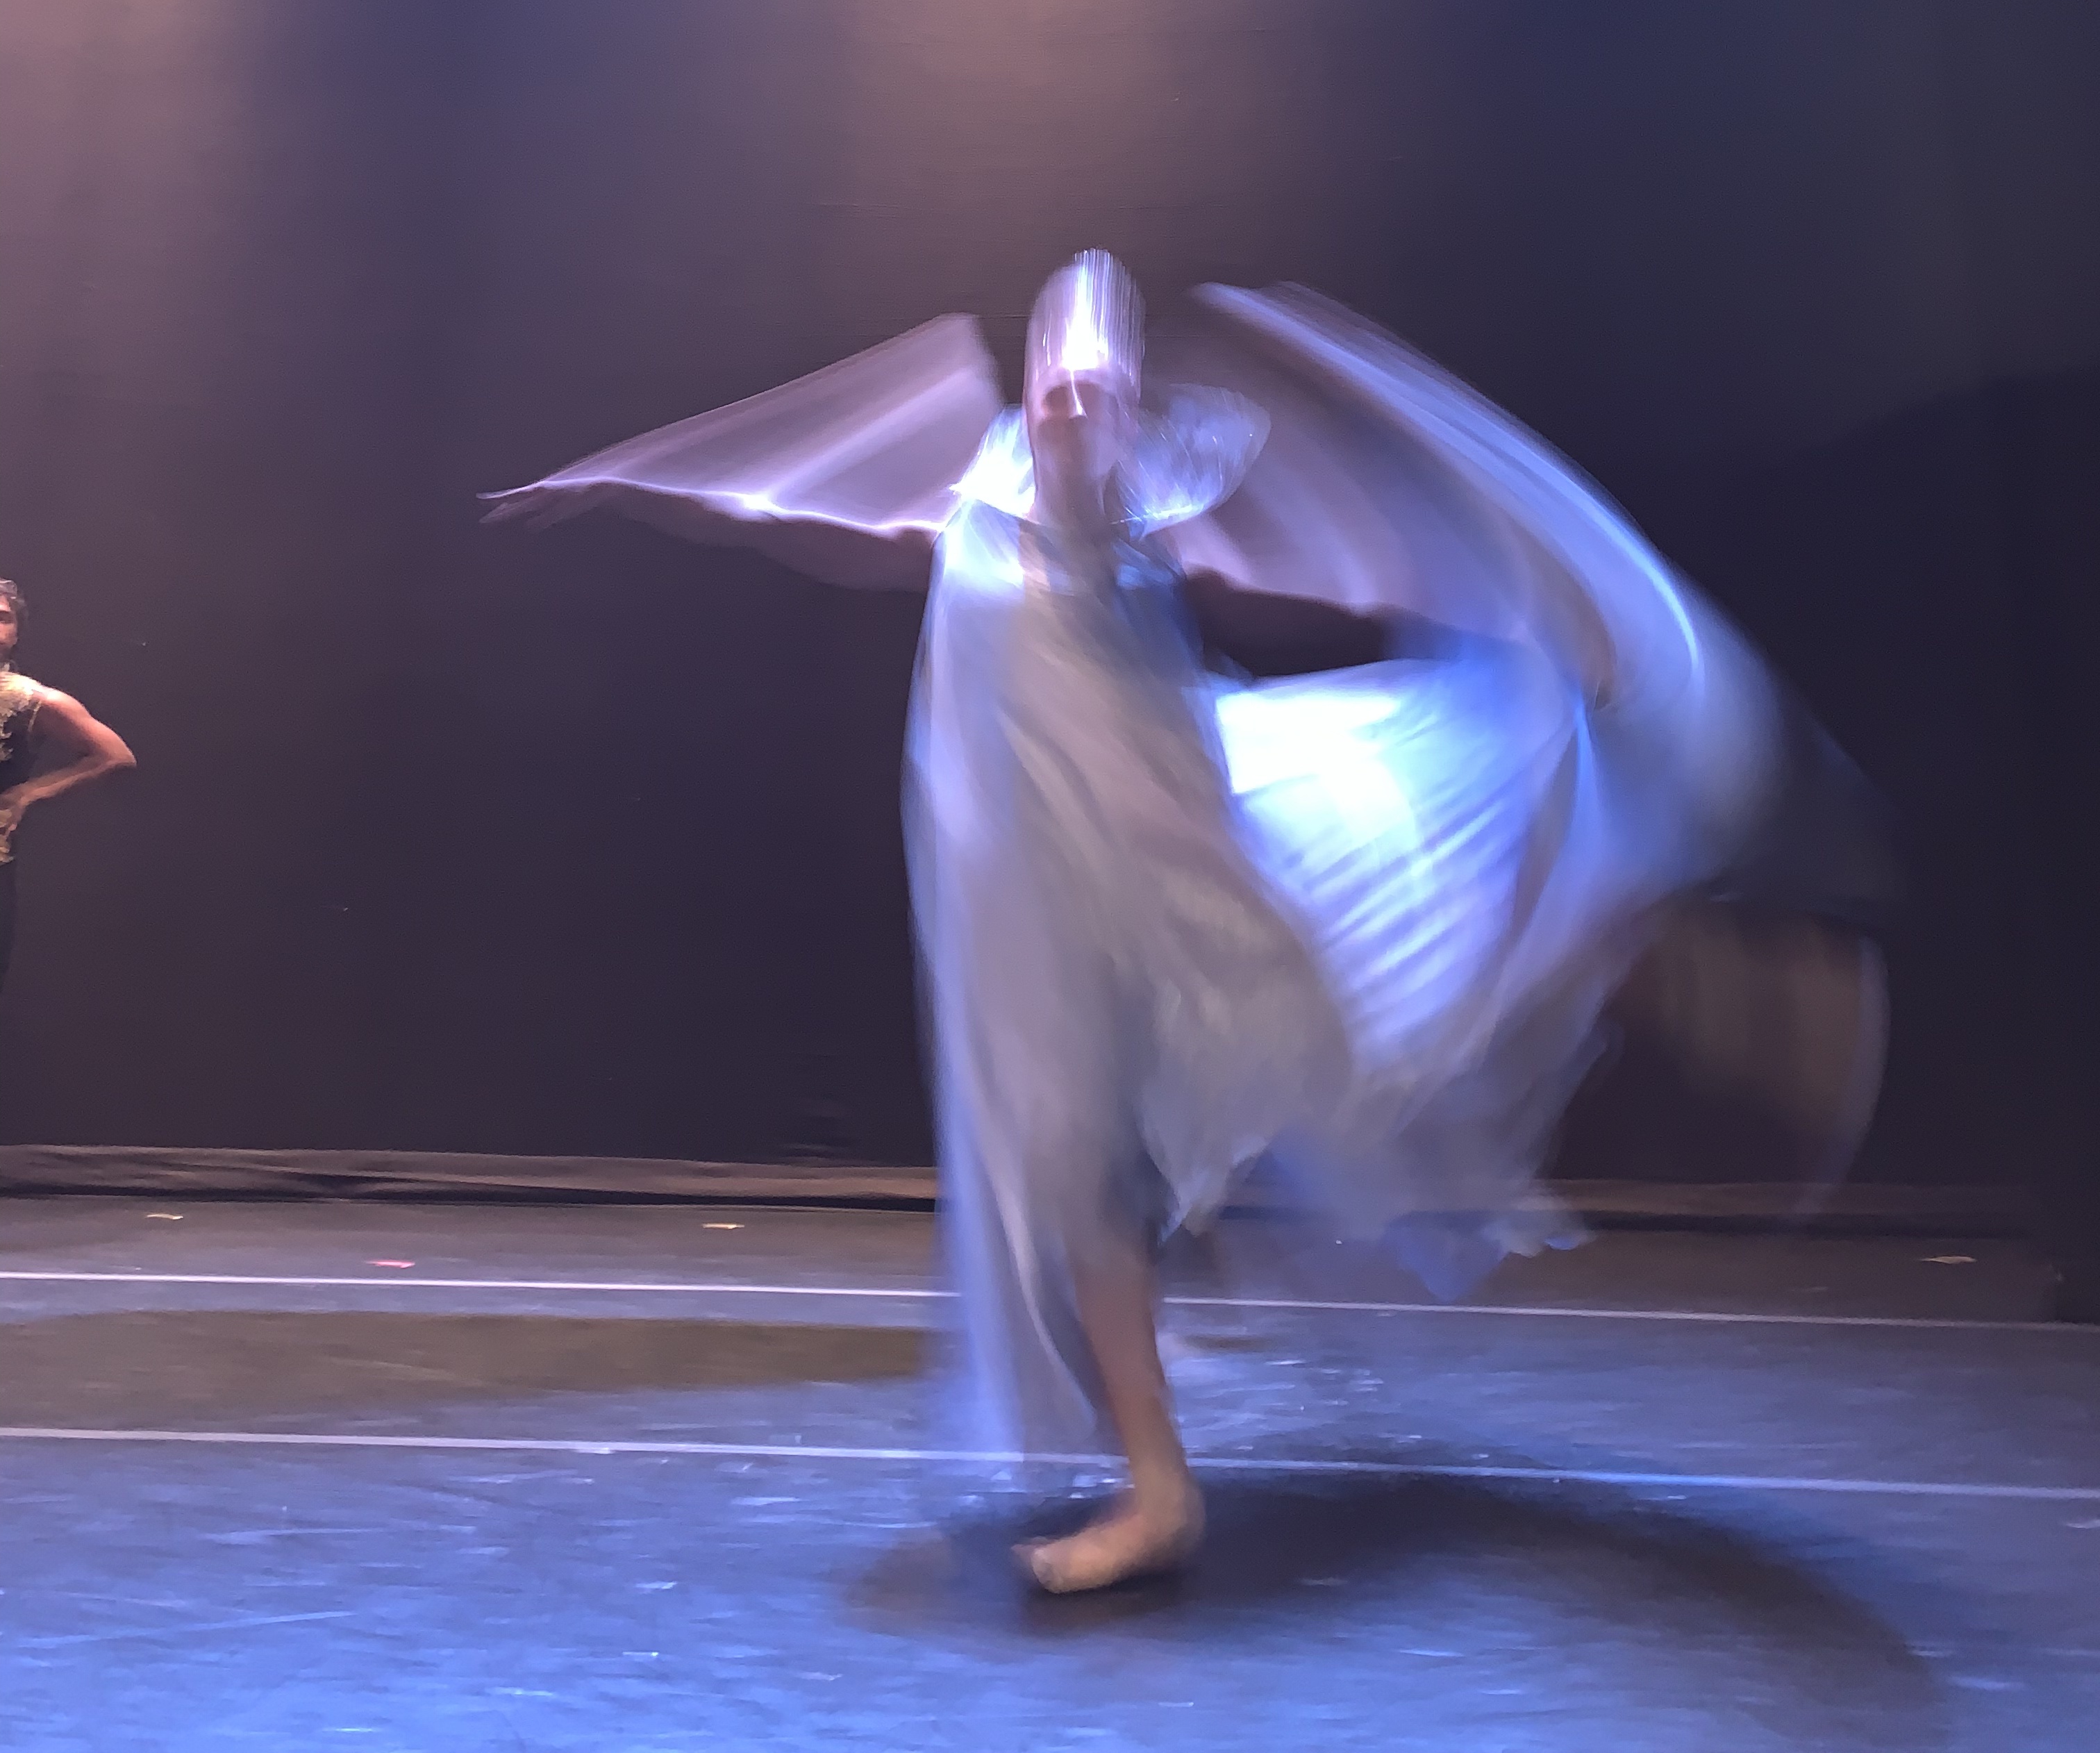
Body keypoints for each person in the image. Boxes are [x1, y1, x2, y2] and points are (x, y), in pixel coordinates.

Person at [490, 257, 1883, 1595]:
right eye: (1056, 390)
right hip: (1056, 913)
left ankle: (1722, 997)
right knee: (1086, 1178)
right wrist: (624, 477)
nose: (1072, 415)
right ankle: (1157, 1491)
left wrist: (1507, 599)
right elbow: (808, 486)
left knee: (1425, 944)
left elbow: (1326, 549)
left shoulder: (1149, 508)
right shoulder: (977, 483)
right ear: (1028, 391)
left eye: (1097, 395)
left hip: (1199, 879)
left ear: (1128, 409)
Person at [0, 579, 137, 995]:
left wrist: (28, 794)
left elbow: (113, 755)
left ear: (16, 633)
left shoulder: (32, 701)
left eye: (2, 617)